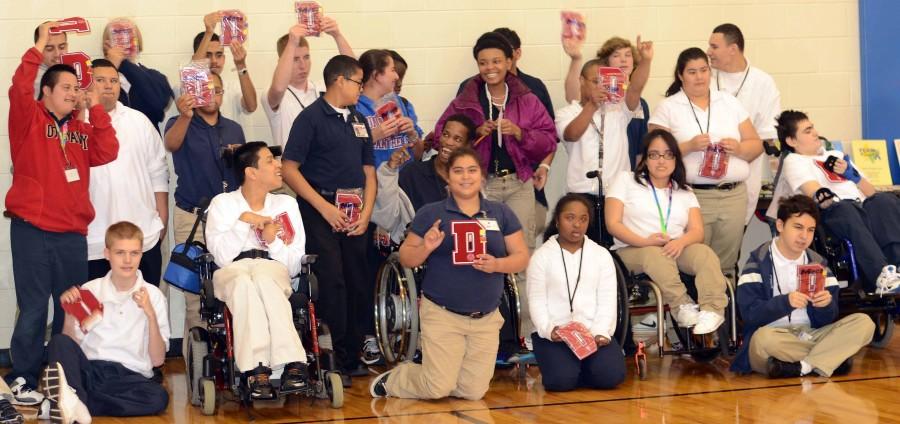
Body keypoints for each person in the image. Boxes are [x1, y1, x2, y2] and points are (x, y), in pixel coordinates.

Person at [4, 21, 119, 405]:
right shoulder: (29, 120)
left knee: (71, 307)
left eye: (76, 88)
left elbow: (108, 151)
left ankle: (65, 377)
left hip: (72, 234)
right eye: (66, 89)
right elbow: (18, 88)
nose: (73, 94)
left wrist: (94, 110)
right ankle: (21, 377)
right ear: (46, 92)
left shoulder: (81, 130)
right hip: (33, 231)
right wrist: (39, 47)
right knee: (35, 307)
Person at [369, 147, 529, 400]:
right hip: (443, 315)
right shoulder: (432, 213)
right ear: (448, 177)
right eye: (458, 171)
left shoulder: (500, 213)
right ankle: (398, 379)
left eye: (472, 170)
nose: (465, 177)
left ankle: (439, 376)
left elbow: (521, 257)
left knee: (473, 393)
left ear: (482, 176)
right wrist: (427, 246)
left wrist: (496, 265)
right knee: (438, 388)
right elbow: (407, 258)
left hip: (486, 319)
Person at [435, 31, 557, 343]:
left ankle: (529, 334)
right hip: (481, 186)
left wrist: (519, 132)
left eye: (496, 61)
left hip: (518, 184)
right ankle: (488, 334)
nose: (490, 67)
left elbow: (548, 138)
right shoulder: (466, 98)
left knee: (522, 256)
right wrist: (477, 133)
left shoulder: (526, 97)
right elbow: (441, 136)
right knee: (481, 254)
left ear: (509, 61)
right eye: (483, 62)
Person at [282, 55, 375, 385]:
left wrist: (365, 213)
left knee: (358, 279)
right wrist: (324, 207)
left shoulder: (359, 119)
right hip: (320, 209)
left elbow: (369, 172)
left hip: (354, 209)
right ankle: (331, 356)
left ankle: (353, 354)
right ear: (340, 81)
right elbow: (289, 169)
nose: (361, 89)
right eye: (357, 82)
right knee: (332, 280)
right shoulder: (310, 119)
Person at [205, 142, 310, 399]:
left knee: (263, 277)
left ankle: (289, 364)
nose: (278, 165)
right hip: (233, 268)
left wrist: (272, 240)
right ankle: (256, 368)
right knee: (243, 282)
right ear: (251, 172)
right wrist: (245, 222)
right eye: (269, 161)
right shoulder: (223, 203)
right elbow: (221, 256)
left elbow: (295, 264)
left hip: (272, 266)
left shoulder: (286, 204)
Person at [648, 47, 763, 283]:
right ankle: (695, 313)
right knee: (694, 259)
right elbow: (653, 154)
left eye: (703, 70)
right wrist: (688, 146)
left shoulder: (729, 102)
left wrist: (739, 149)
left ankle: (723, 314)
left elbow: (756, 145)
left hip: (733, 194)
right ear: (680, 75)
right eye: (692, 72)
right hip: (693, 195)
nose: (699, 77)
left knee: (726, 263)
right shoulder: (669, 107)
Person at [732, 195, 875, 377]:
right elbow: (750, 315)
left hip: (810, 334)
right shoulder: (757, 262)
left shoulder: (819, 264)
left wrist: (825, 306)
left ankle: (803, 366)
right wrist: (786, 302)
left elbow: (825, 320)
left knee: (864, 323)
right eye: (798, 227)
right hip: (775, 336)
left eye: (811, 230)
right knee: (763, 340)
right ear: (780, 226)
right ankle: (829, 358)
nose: (804, 236)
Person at [43, 221, 170, 423]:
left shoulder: (153, 296)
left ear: (141, 254)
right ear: (107, 253)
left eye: (134, 253)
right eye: (120, 252)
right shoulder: (89, 290)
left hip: (130, 376)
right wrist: (69, 314)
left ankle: (75, 402)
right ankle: (73, 399)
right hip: (91, 371)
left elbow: (157, 360)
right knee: (58, 342)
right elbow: (70, 347)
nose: (128, 260)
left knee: (158, 398)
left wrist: (150, 315)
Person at [606, 130, 728, 334]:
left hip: (674, 248)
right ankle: (682, 307)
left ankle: (713, 310)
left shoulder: (684, 191)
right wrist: (645, 242)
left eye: (668, 154)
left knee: (704, 253)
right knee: (655, 254)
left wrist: (680, 242)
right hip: (633, 249)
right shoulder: (625, 180)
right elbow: (613, 223)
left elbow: (697, 231)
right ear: (644, 159)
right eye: (654, 154)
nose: (661, 160)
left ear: (676, 159)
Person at [164, 71, 245, 361]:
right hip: (192, 218)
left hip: (229, 219)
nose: (212, 95)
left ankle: (231, 360)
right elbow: (171, 145)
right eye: (205, 90)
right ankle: (198, 365)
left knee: (230, 285)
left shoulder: (235, 128)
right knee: (195, 295)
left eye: (218, 90)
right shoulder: (179, 123)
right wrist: (185, 115)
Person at [775, 110, 900, 294]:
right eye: (807, 131)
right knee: (845, 209)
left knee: (885, 201)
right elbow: (814, 191)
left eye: (813, 127)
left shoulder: (836, 155)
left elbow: (871, 192)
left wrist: (853, 176)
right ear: (791, 141)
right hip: (833, 213)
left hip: (860, 207)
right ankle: (880, 276)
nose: (815, 133)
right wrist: (824, 196)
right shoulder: (794, 161)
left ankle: (896, 266)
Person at [556, 36, 653, 246]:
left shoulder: (619, 109)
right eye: (595, 82)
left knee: (614, 252)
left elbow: (635, 89)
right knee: (581, 250)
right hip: (581, 195)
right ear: (582, 81)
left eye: (605, 81)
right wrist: (592, 105)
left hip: (615, 194)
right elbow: (571, 134)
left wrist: (645, 61)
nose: (600, 87)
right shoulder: (567, 112)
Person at [527, 194, 625, 392]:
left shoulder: (600, 255)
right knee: (560, 382)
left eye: (583, 219)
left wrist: (600, 332)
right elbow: (536, 300)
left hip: (592, 333)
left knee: (610, 377)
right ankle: (571, 369)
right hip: (557, 335)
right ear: (557, 221)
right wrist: (549, 329)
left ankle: (584, 368)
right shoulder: (541, 257)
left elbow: (607, 301)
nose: (577, 225)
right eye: (570, 218)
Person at [86, 59, 168, 286]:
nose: (109, 86)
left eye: (114, 81)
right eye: (100, 80)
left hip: (143, 235)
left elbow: (158, 171)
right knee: (97, 316)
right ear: (87, 84)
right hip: (94, 241)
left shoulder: (139, 121)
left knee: (144, 308)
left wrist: (162, 218)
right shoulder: (76, 124)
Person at [707, 23, 782, 224]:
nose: (708, 52)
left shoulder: (762, 82)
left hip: (746, 173)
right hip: (705, 174)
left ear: (732, 49)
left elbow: (768, 134)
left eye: (714, 47)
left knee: (733, 244)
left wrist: (741, 150)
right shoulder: (705, 78)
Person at [371, 114, 476, 244]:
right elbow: (386, 218)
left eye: (458, 139)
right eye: (446, 135)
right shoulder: (413, 173)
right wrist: (389, 171)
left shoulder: (470, 182)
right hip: (416, 252)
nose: (448, 142)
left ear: (468, 146)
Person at [264, 18, 354, 150]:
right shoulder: (273, 93)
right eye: (295, 59)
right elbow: (278, 88)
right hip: (293, 167)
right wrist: (292, 43)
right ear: (283, 61)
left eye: (306, 57)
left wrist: (337, 35)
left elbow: (352, 75)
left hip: (323, 166)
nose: (303, 65)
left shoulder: (322, 88)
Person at [564, 35, 651, 168]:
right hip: (598, 171)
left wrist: (639, 177)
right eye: (616, 56)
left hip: (627, 174)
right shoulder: (601, 99)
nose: (623, 59)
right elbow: (574, 96)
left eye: (628, 55)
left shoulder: (638, 103)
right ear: (605, 64)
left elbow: (641, 147)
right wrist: (576, 59)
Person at [192, 11, 258, 137]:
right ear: (196, 56)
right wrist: (208, 33)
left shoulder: (233, 87)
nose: (214, 61)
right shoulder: (185, 86)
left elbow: (251, 106)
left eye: (219, 55)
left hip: (231, 151)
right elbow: (195, 71)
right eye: (207, 55)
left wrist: (241, 65)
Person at [102, 18, 174, 130]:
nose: (124, 41)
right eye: (117, 35)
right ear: (107, 45)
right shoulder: (94, 77)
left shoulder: (155, 77)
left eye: (129, 35)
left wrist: (124, 63)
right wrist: (110, 67)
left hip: (146, 144)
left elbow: (158, 106)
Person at [357, 49, 423, 168]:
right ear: (376, 75)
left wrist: (412, 133)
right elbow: (343, 155)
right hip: (374, 183)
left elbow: (418, 155)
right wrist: (372, 137)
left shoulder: (403, 104)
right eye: (392, 70)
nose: (397, 76)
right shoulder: (354, 109)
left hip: (405, 182)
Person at [31, 22, 69, 95]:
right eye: (49, 49)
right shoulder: (33, 79)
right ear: (39, 48)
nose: (57, 54)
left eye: (62, 47)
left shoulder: (71, 69)